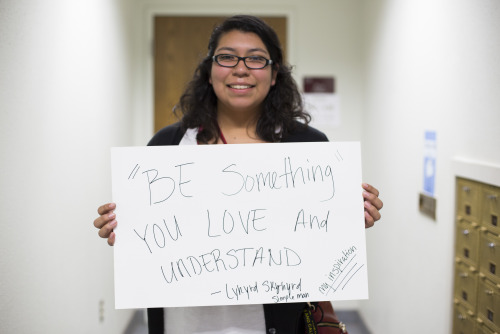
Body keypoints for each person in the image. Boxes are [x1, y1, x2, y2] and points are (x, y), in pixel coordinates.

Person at [94, 15, 383, 334]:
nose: (241, 68)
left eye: (256, 59)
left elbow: (322, 241)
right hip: (186, 324)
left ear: (274, 75)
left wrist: (349, 216)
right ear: (209, 70)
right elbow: (148, 237)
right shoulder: (167, 145)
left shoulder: (308, 145)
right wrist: (124, 226)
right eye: (227, 57)